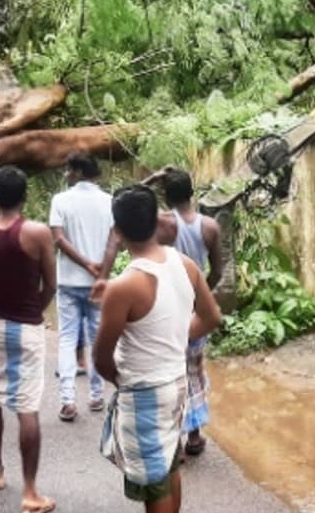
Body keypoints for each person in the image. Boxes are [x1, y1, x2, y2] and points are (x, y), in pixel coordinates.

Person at [93, 185, 222, 513]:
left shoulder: (124, 286)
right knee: (167, 462)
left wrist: (120, 380)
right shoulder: (185, 264)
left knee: (154, 480)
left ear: (118, 232)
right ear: (158, 220)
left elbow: (101, 357)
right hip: (176, 382)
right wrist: (176, 338)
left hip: (144, 389)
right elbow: (210, 317)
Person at [0, 166, 57, 513]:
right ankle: (31, 492)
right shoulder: (38, 233)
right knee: (27, 407)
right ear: (25, 197)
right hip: (28, 328)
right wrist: (36, 308)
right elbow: (50, 283)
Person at [156, 168, 224, 456]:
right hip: (196, 307)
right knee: (194, 370)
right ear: (192, 193)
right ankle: (194, 436)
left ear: (166, 196)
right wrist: (200, 294)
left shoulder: (162, 224)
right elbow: (218, 270)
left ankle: (176, 442)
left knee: (171, 372)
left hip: (169, 307)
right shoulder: (209, 226)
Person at [47, 152, 112, 421]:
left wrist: (84, 264)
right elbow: (114, 242)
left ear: (76, 171)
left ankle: (68, 400)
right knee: (97, 340)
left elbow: (58, 240)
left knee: (66, 339)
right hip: (97, 284)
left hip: (68, 281)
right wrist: (101, 274)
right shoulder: (109, 201)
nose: (65, 174)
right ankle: (97, 397)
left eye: (68, 170)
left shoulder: (61, 200)